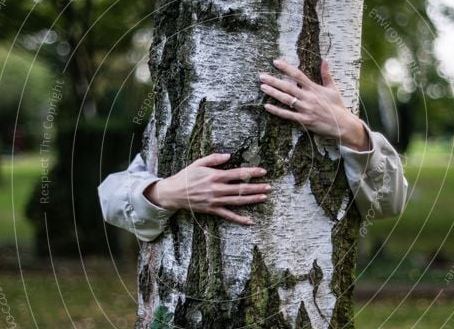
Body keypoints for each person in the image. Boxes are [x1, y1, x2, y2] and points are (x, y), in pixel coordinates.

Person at [98, 59, 408, 242]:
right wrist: (164, 192)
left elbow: (390, 202)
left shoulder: (342, 132)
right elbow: (109, 197)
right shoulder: (171, 124)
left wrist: (350, 130)